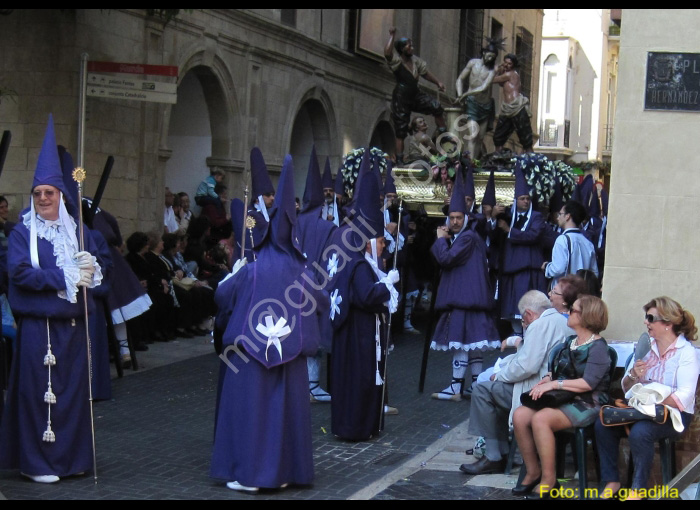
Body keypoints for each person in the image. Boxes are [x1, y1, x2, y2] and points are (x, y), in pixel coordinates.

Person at [211, 154, 327, 492]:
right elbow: (320, 302)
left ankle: (250, 475)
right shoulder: (304, 272)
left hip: (249, 355)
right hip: (289, 359)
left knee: (252, 413)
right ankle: (287, 472)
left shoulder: (252, 267)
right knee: (283, 416)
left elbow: (223, 297)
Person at [0, 115, 104, 484]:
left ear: (61, 196)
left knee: (73, 397)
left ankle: (71, 460)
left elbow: (92, 275)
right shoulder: (20, 234)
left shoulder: (78, 232)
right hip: (38, 330)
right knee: (38, 397)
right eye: (38, 193)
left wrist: (89, 270)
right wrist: (63, 276)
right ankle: (39, 462)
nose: (43, 198)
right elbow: (20, 273)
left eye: (50, 193)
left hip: (73, 328)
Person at [595, 297, 699, 500]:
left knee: (640, 432)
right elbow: (626, 388)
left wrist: (652, 399)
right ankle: (611, 481)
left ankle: (638, 490)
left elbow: (685, 396)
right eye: (646, 317)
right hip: (641, 410)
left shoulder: (687, 353)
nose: (646, 322)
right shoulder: (646, 348)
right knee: (603, 424)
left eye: (651, 318)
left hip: (673, 415)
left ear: (668, 324)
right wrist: (634, 375)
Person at [460, 290, 573, 475]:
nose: (524, 324)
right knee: (492, 393)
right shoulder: (563, 321)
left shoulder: (539, 324)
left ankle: (494, 455)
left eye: (523, 320)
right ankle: (502, 452)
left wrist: (501, 375)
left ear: (528, 313)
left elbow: (526, 366)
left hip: (534, 391)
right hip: (551, 388)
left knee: (482, 390)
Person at [328, 149, 399, 440]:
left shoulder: (365, 263)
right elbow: (366, 297)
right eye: (380, 241)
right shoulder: (358, 265)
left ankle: (368, 426)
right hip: (357, 336)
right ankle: (356, 427)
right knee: (358, 381)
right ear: (369, 242)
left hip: (363, 334)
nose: (384, 247)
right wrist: (387, 285)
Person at [513, 295, 612, 498]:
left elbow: (588, 383)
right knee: (520, 415)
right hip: (563, 398)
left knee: (541, 419)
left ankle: (550, 480)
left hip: (588, 402)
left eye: (573, 310)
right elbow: (560, 370)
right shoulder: (570, 342)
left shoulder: (599, 348)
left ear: (586, 316)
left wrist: (554, 384)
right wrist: (548, 378)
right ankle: (533, 471)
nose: (567, 312)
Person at [430, 167, 500, 401]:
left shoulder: (468, 236)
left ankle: (455, 387)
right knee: (474, 345)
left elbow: (446, 259)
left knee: (462, 344)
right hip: (472, 299)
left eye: (459, 217)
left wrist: (440, 241)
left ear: (466, 217)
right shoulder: (471, 236)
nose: (455, 221)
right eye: (452, 218)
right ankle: (475, 386)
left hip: (464, 299)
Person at [296, 146, 337, 403]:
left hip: (292, 289)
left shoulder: (291, 225)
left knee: (298, 337)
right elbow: (335, 259)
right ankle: (312, 386)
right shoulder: (327, 226)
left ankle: (299, 385)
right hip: (319, 289)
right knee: (316, 340)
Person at [384, 27, 446, 164]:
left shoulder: (416, 61)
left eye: (411, 45)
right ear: (402, 49)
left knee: (436, 106)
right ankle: (399, 159)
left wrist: (438, 82)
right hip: (401, 96)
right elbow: (387, 53)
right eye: (408, 45)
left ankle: (443, 134)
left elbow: (425, 73)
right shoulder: (397, 61)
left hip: (415, 94)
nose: (411, 47)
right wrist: (392, 36)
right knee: (400, 130)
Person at [496, 168, 546, 334]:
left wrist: (509, 230)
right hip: (511, 270)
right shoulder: (508, 215)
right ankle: (517, 336)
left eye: (528, 199)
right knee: (513, 310)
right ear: (515, 201)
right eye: (522, 199)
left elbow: (533, 235)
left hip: (528, 269)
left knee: (529, 308)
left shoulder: (537, 217)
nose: (526, 202)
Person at [455, 38, 503, 160]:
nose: (490, 59)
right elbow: (460, 79)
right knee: (473, 135)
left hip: (485, 106)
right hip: (472, 103)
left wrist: (465, 95)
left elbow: (483, 87)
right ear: (484, 53)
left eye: (493, 57)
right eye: (489, 55)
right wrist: (460, 94)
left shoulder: (492, 70)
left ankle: (475, 161)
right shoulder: (472, 63)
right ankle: (470, 164)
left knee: (480, 138)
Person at [542, 200, 599, 289]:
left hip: (566, 292)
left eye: (560, 214)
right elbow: (594, 273)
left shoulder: (562, 239)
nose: (558, 218)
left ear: (568, 216)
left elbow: (558, 268)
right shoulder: (588, 243)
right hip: (583, 292)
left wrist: (547, 267)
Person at [492, 54, 534, 154]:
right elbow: (501, 84)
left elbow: (492, 80)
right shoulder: (506, 75)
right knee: (499, 135)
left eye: (509, 64)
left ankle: (532, 159)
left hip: (517, 107)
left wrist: (495, 69)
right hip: (507, 109)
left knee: (525, 136)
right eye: (505, 62)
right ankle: (499, 156)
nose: (506, 65)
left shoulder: (510, 74)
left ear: (513, 65)